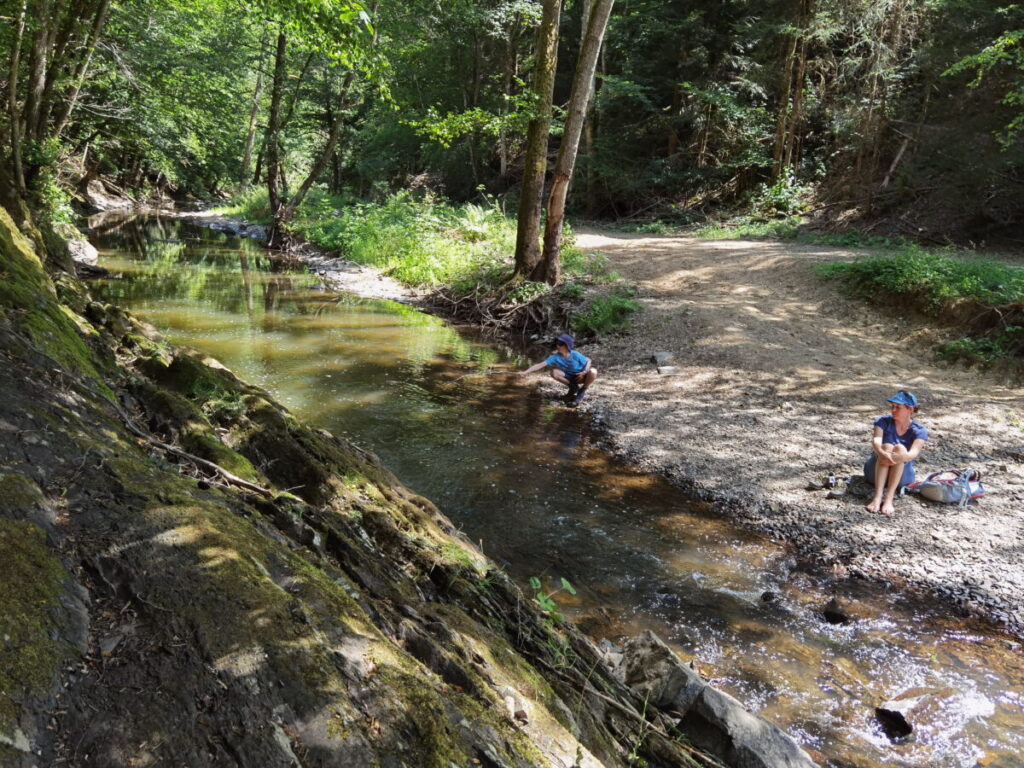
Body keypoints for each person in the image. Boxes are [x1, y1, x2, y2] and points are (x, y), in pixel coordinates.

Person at [864, 390, 928, 516]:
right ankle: (877, 497)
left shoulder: (920, 430)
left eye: (898, 407)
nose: (893, 410)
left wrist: (898, 457)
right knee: (886, 445)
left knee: (900, 448)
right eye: (892, 406)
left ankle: (889, 499)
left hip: (902, 477)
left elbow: (913, 453)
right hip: (875, 472)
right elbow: (876, 441)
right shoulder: (883, 421)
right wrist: (882, 452)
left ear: (910, 409)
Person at [519, 333, 597, 406]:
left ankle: (583, 390)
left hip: (582, 376)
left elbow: (588, 360)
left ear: (567, 345)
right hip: (570, 377)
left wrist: (584, 372)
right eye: (557, 344)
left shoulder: (575, 354)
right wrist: (526, 371)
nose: (558, 346)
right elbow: (540, 365)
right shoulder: (555, 357)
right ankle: (573, 387)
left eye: (560, 344)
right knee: (553, 372)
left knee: (593, 371)